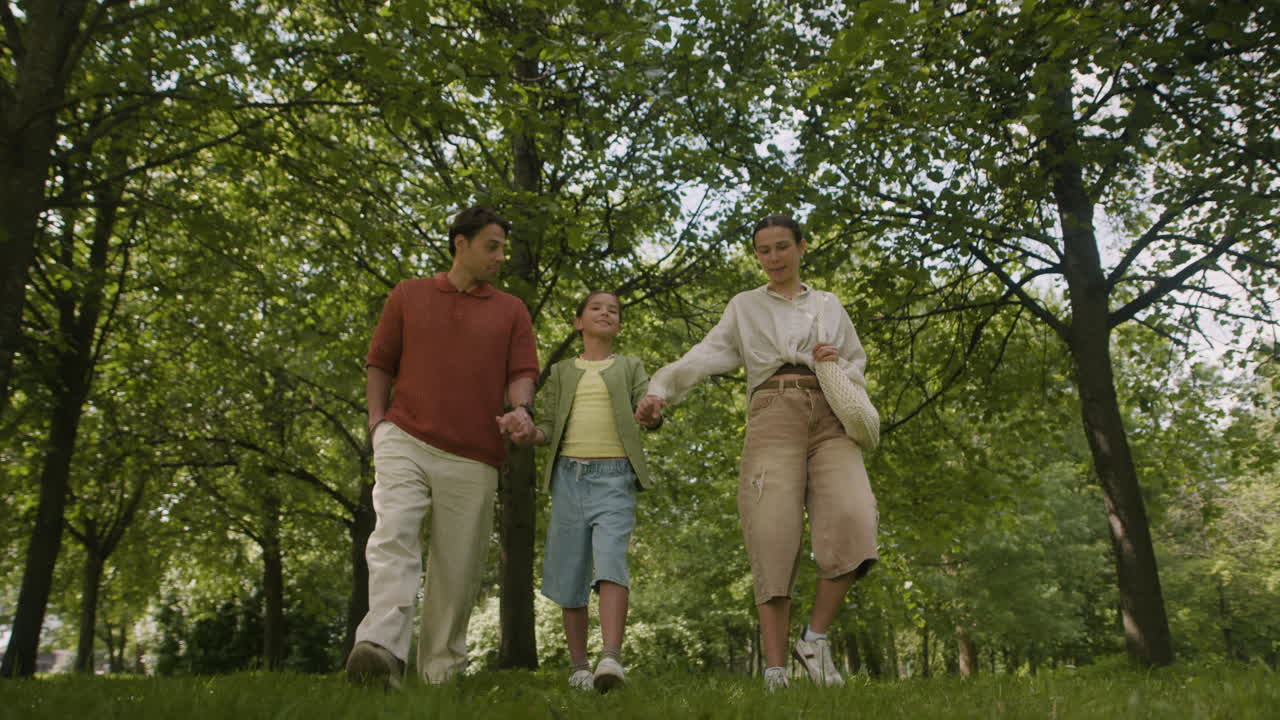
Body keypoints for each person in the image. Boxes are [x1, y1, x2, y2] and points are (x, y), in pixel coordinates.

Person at [634, 214, 878, 692]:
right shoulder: (745, 306)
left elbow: (858, 365)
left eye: (782, 247)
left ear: (802, 247)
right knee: (772, 531)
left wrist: (839, 365)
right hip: (773, 410)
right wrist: (661, 390)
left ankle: (815, 640)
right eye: (763, 250)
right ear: (756, 255)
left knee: (856, 517)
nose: (773, 258)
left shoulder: (829, 304)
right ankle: (774, 670)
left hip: (831, 413)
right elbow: (706, 353)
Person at [345, 206, 539, 689]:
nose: (500, 256)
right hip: (404, 437)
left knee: (458, 567)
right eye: (491, 246)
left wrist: (521, 409)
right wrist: (377, 424)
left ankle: (439, 674)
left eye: (502, 248)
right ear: (461, 243)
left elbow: (522, 373)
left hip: (474, 453)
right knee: (394, 534)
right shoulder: (409, 294)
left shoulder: (511, 310)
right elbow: (379, 362)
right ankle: (381, 651)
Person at [509, 291, 659, 693]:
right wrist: (527, 433)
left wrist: (650, 412)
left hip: (615, 478)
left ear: (619, 325)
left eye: (614, 310)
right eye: (597, 308)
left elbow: (649, 409)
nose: (606, 312)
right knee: (570, 569)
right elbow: (546, 428)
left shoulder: (629, 366)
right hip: (568, 479)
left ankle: (610, 657)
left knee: (611, 560)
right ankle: (579, 667)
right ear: (579, 322)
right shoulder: (561, 372)